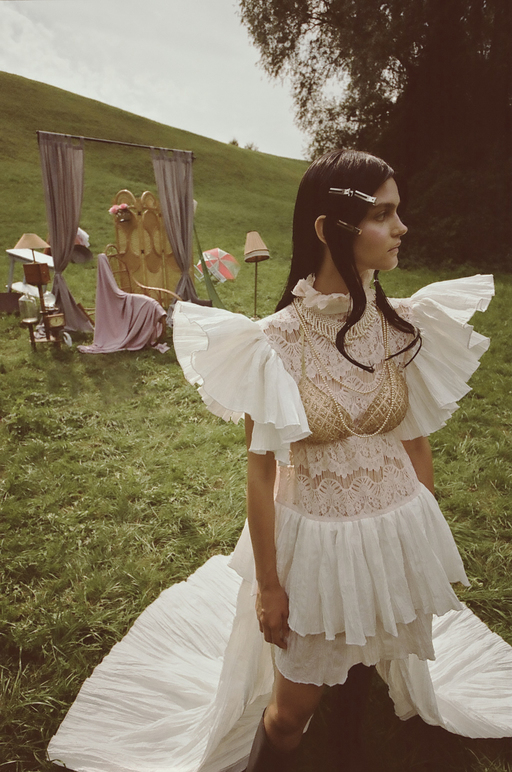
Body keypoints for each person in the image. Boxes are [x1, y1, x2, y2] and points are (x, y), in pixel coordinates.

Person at [47, 150, 510, 772]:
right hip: (314, 543)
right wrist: (269, 585)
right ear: (328, 228)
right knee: (289, 717)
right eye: (383, 214)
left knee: (369, 657)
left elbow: (416, 439)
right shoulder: (273, 343)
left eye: (397, 212)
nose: (401, 228)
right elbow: (261, 470)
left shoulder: (404, 325)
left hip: (397, 525)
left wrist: (423, 538)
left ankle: (350, 742)